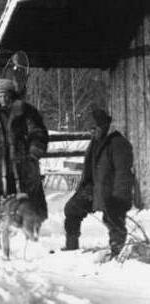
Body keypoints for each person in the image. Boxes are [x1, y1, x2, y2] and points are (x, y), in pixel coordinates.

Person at [62, 109, 134, 257]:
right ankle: (71, 248)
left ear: (103, 126)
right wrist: (83, 188)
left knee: (114, 220)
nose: (91, 132)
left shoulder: (118, 143)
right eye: (90, 129)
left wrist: (119, 198)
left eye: (94, 128)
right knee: (72, 208)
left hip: (112, 192)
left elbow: (124, 173)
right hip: (93, 189)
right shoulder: (95, 141)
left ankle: (117, 253)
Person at [0, 78, 48, 218]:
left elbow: (38, 132)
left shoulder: (25, 110)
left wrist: (33, 153)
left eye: (6, 95)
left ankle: (32, 223)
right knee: (0, 193)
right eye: (0, 95)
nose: (3, 99)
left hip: (22, 159)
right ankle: (1, 222)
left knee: (27, 192)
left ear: (12, 94)